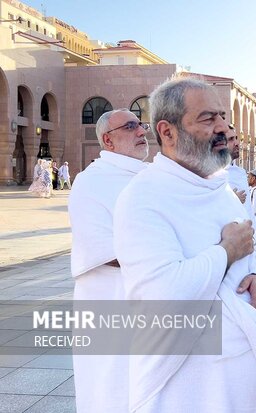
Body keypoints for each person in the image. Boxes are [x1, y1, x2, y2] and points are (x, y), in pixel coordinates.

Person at [113, 77, 256, 413]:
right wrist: (226, 252)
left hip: (245, 379)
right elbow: (165, 295)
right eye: (208, 119)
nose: (224, 129)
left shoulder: (219, 189)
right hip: (188, 385)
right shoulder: (142, 198)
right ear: (167, 132)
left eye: (223, 117)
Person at [68, 108, 150, 413]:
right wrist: (168, 259)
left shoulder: (152, 176)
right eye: (131, 127)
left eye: (141, 125)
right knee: (111, 389)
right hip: (110, 303)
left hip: (151, 302)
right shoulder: (91, 182)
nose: (142, 132)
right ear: (108, 140)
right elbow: (103, 250)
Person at [225, 124, 251, 213]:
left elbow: (248, 208)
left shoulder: (241, 172)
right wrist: (232, 201)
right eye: (231, 139)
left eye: (236, 138)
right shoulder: (208, 174)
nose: (237, 143)